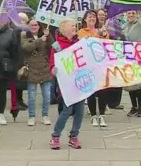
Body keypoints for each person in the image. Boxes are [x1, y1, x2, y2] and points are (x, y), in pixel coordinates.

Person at [49, 18, 83, 150]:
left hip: (80, 81)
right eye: (73, 26)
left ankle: (74, 136)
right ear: (64, 29)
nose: (75, 28)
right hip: (66, 84)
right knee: (67, 110)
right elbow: (52, 64)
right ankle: (55, 136)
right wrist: (54, 70)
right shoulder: (56, 46)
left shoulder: (79, 43)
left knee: (80, 110)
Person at [77, 10, 110, 127]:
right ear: (85, 19)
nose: (92, 18)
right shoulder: (81, 32)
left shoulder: (101, 30)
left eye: (94, 17)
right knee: (91, 91)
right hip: (88, 66)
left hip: (100, 65)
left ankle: (102, 115)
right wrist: (98, 34)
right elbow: (86, 43)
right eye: (89, 17)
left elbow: (108, 45)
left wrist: (105, 34)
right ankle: (93, 116)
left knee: (102, 92)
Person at [21, 19, 54, 126]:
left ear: (39, 26)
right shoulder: (24, 35)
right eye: (32, 25)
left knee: (47, 95)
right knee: (31, 96)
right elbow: (27, 48)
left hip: (45, 69)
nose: (34, 27)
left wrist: (48, 36)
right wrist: (40, 40)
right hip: (31, 69)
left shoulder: (45, 35)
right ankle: (31, 116)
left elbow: (52, 46)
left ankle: (45, 115)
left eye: (36, 25)